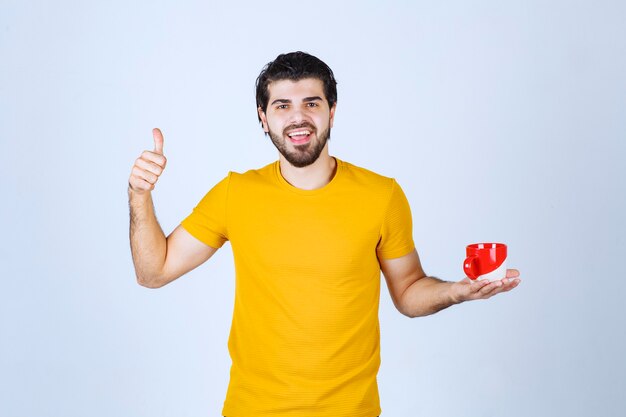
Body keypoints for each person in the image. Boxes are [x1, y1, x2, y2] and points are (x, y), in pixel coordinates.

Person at [128, 51, 521, 417]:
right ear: (263, 118)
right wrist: (140, 195)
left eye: (311, 103)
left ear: (332, 112)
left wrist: (458, 291)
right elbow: (154, 271)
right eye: (282, 106)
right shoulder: (235, 194)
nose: (298, 117)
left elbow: (408, 291)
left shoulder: (382, 196)